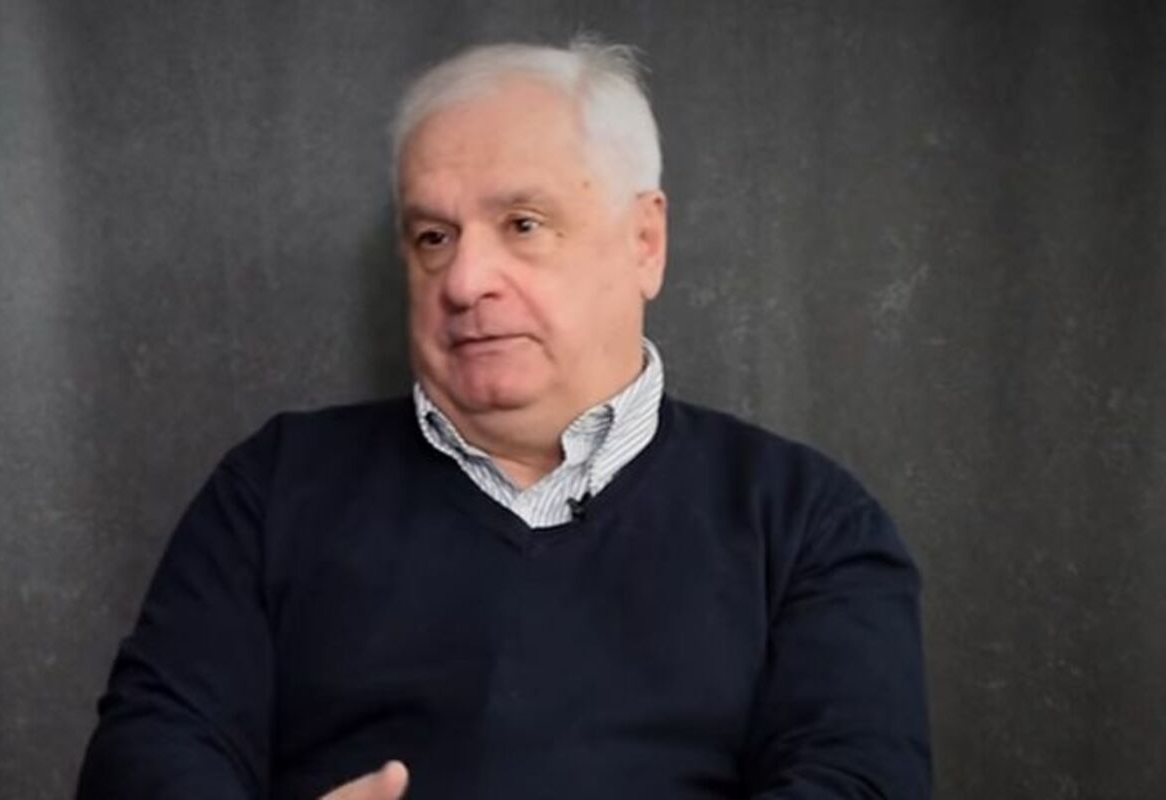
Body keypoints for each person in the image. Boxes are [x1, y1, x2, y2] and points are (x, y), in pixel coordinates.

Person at [77, 38, 931, 800]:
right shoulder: (274, 489)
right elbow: (148, 751)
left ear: (645, 241)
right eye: (433, 238)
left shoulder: (806, 522)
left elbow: (859, 779)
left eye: (523, 224)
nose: (463, 280)